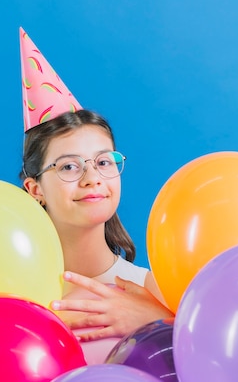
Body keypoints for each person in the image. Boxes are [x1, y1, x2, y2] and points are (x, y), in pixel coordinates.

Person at [18, 27, 174, 347]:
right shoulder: (15, 298)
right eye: (69, 167)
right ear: (36, 190)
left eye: (103, 162)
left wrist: (157, 322)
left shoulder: (158, 291)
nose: (93, 178)